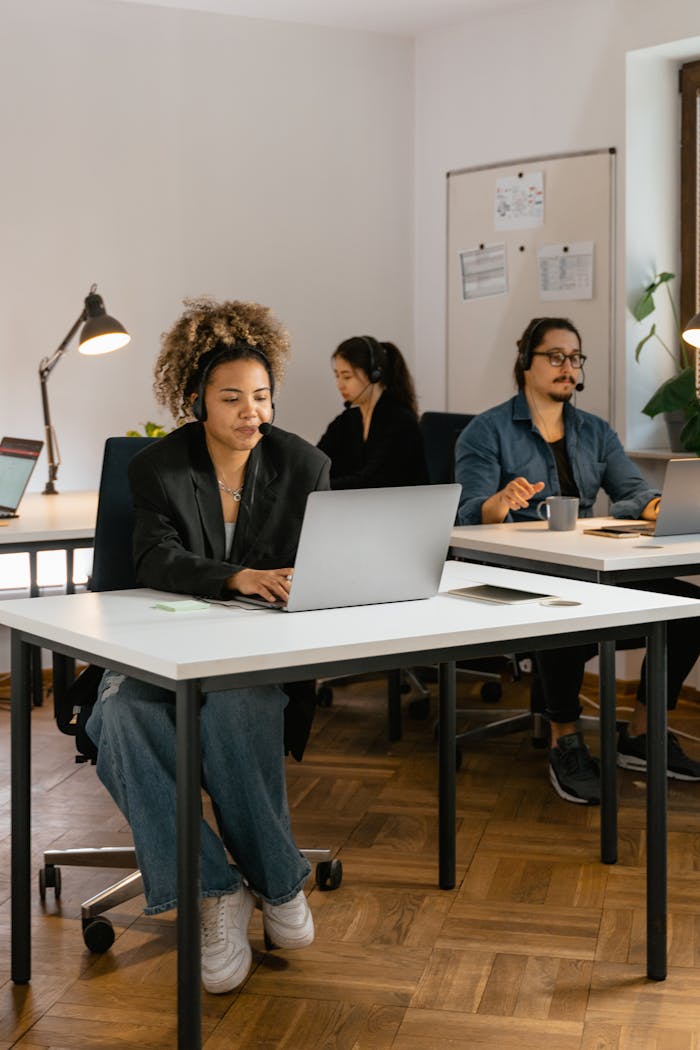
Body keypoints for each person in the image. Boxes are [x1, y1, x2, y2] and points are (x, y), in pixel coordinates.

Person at [85, 297, 331, 994]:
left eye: (261, 397)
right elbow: (154, 557)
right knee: (123, 714)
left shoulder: (305, 467)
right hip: (155, 643)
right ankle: (219, 890)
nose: (251, 412)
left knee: (232, 705)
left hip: (254, 654)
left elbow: (323, 564)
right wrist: (236, 577)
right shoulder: (159, 467)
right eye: (232, 398)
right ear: (197, 400)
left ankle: (274, 883)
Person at [454, 316, 700, 805]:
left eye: (575, 358)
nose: (569, 368)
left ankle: (642, 734)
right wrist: (501, 501)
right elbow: (465, 517)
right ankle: (564, 737)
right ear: (526, 361)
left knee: (690, 610)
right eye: (556, 357)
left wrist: (657, 505)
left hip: (588, 564)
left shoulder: (595, 432)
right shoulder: (486, 432)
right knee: (562, 609)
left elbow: (632, 488)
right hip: (515, 575)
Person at [317, 335, 428, 488]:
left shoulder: (400, 421)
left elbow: (372, 482)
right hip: (358, 506)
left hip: (398, 507)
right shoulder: (347, 420)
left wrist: (319, 487)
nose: (340, 385)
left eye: (347, 377)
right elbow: (316, 461)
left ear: (375, 375)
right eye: (337, 376)